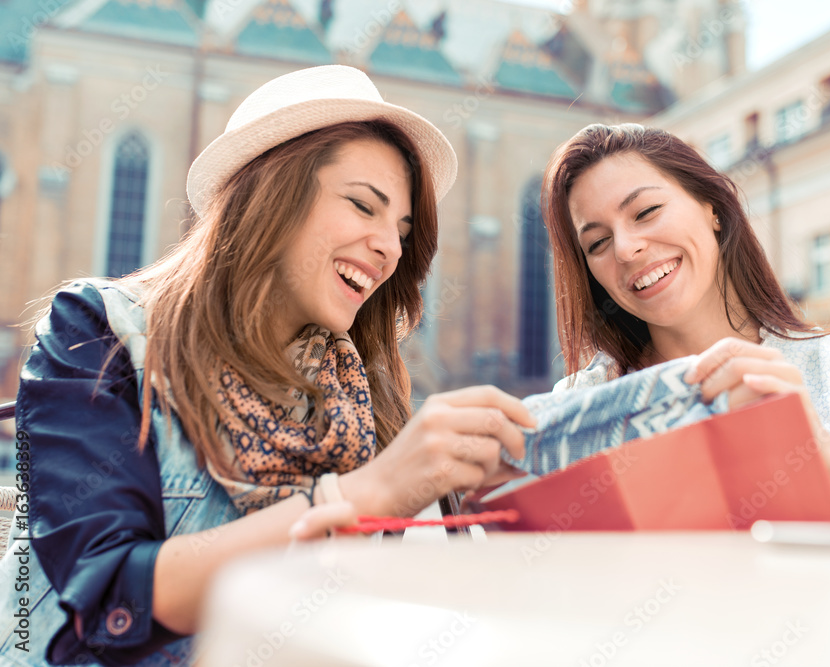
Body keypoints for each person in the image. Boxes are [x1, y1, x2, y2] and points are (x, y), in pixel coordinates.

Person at [0, 65, 534, 666]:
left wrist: (481, 512)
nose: (390, 247)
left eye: (403, 230)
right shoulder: (101, 332)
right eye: (364, 205)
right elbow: (109, 601)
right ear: (270, 196)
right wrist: (367, 493)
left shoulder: (362, 397)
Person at [541, 122, 830, 540]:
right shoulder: (577, 408)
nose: (625, 248)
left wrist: (815, 450)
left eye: (646, 212)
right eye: (597, 243)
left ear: (712, 208)